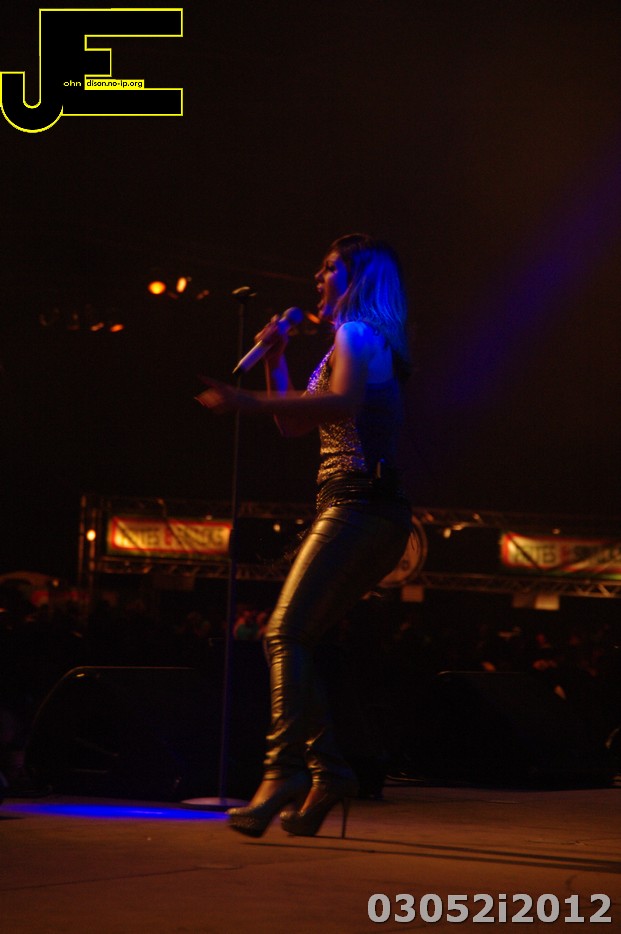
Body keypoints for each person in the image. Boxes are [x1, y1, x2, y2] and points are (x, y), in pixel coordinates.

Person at [196, 233, 413, 838]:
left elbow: (341, 404)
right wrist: (275, 356)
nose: (317, 277)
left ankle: (283, 772)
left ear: (358, 277)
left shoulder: (358, 333)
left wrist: (245, 399)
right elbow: (294, 426)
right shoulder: (348, 341)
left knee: (282, 633)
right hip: (356, 507)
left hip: (360, 503)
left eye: (329, 267)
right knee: (298, 640)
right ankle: (329, 772)